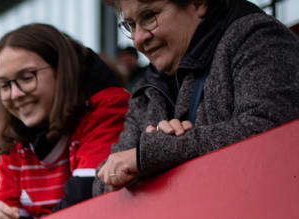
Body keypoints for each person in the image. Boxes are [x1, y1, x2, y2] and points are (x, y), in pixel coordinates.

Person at [97, 0, 299, 192]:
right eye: (131, 25)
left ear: (198, 3)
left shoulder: (257, 38)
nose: (139, 38)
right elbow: (103, 180)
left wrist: (161, 152)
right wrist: (141, 161)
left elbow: (274, 133)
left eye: (149, 16)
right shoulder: (147, 87)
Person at [0, 24, 129, 219]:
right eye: (4, 85)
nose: (15, 94)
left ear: (61, 71)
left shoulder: (106, 107)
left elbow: (85, 196)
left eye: (26, 77)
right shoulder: (14, 140)